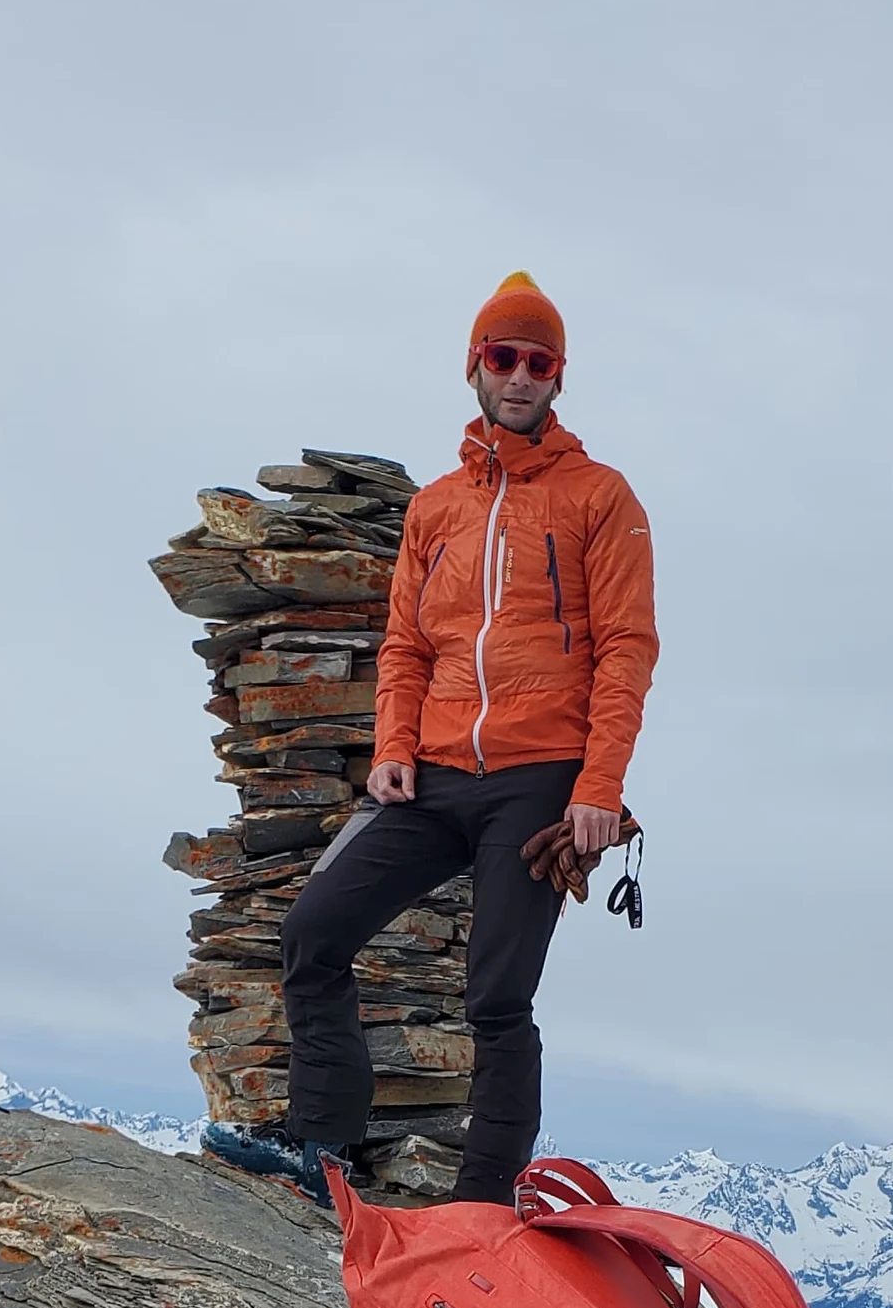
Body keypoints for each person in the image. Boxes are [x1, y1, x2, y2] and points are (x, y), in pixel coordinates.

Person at [205, 273, 657, 1204]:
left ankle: (484, 1203)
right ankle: (319, 1149)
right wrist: (393, 746)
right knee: (312, 930)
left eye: (539, 362)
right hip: (434, 773)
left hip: (539, 781)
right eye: (504, 357)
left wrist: (598, 789)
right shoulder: (436, 508)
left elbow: (626, 650)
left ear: (559, 379)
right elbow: (407, 642)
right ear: (474, 368)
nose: (520, 375)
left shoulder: (601, 497)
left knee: (497, 996)